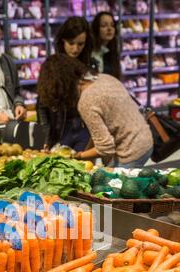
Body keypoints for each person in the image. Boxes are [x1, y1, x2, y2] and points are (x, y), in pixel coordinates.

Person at [37, 54, 153, 168]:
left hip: (130, 152)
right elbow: (102, 130)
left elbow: (106, 148)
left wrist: (76, 156)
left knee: (113, 185)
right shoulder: (104, 78)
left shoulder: (86, 101)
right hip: (146, 140)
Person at [37, 17, 94, 152]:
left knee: (85, 169)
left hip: (85, 128)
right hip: (60, 129)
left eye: (80, 44)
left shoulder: (90, 65)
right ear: (62, 41)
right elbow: (42, 105)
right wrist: (44, 136)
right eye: (71, 43)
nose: (75, 49)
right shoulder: (53, 65)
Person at [91, 12, 121, 79]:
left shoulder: (111, 51)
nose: (109, 29)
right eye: (104, 25)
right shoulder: (91, 53)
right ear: (96, 29)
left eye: (112, 25)